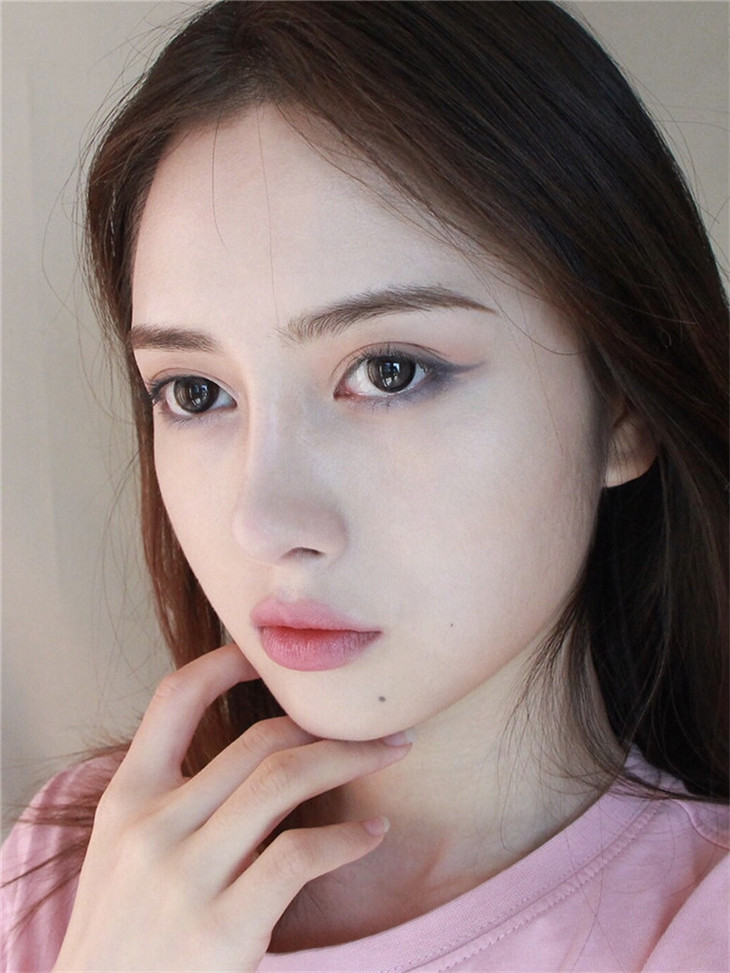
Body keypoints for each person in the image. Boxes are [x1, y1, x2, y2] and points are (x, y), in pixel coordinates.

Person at [2, 2, 727, 970]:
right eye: (195, 391)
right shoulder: (87, 857)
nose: (263, 521)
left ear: (625, 408)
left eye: (391, 371)